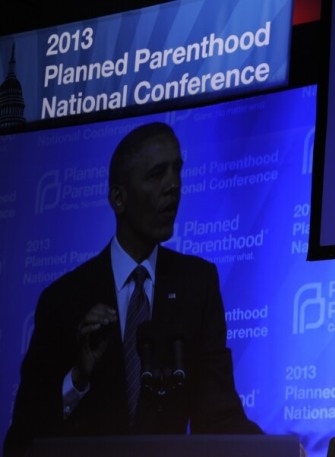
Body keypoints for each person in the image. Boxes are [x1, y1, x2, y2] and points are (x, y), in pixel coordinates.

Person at [4, 122, 265, 457]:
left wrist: (283, 451)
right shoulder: (63, 300)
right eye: (157, 174)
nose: (173, 185)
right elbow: (23, 438)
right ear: (119, 198)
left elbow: (218, 415)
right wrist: (78, 378)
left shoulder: (197, 285)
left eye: (177, 170)